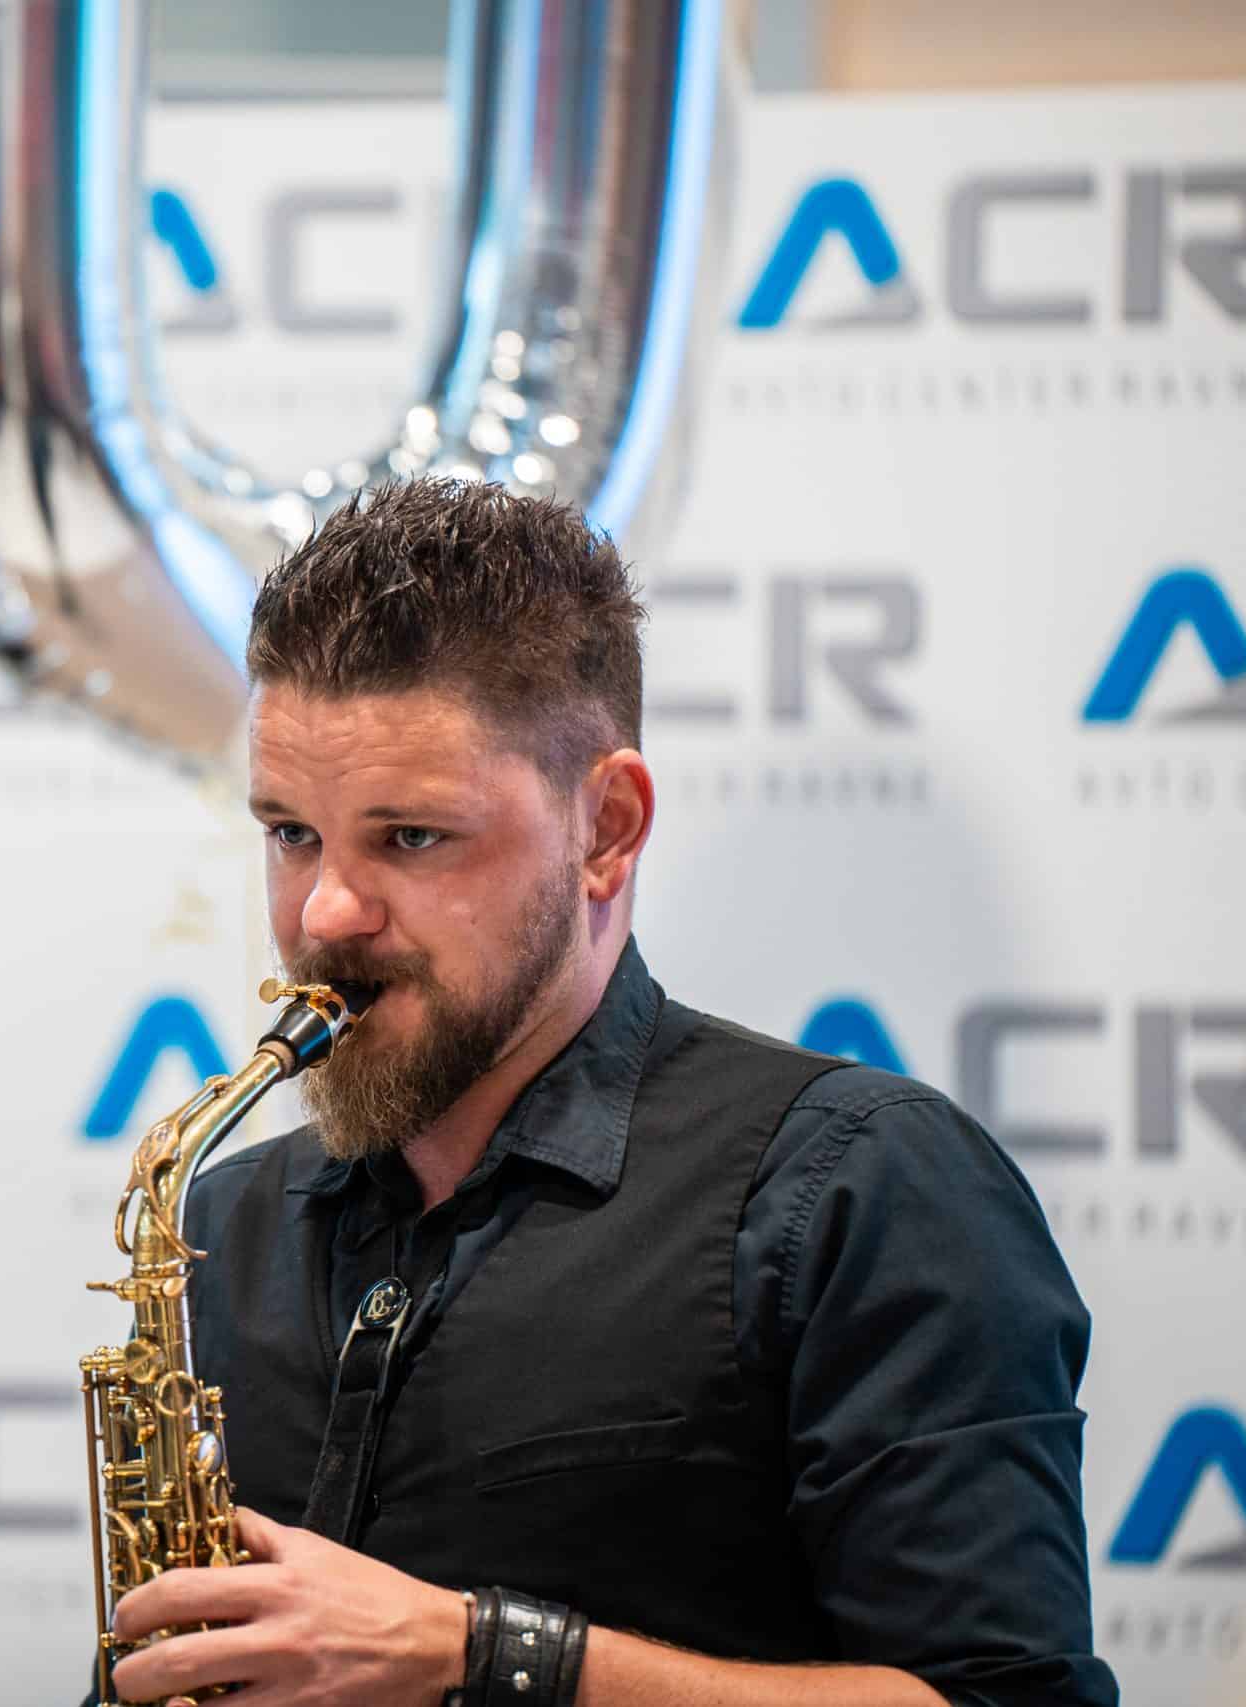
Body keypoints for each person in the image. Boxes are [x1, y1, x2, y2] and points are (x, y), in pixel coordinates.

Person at [101, 480, 1117, 1707]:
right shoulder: (225, 1221)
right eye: (290, 834)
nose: (325, 913)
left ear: (607, 828)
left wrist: (481, 1656)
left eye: (410, 837)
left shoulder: (862, 1187)